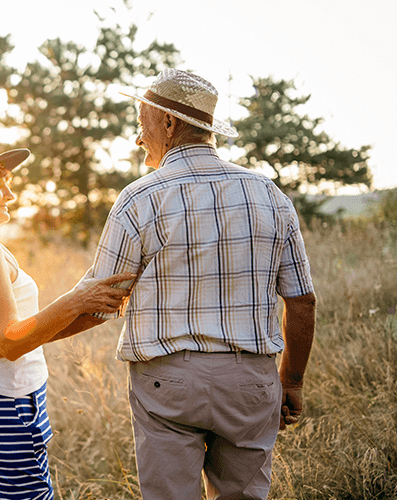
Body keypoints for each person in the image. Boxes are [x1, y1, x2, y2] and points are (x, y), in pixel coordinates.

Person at [82, 68, 317, 499]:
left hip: (168, 385)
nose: (138, 138)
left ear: (168, 124)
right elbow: (302, 302)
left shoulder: (139, 199)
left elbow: (98, 303)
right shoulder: (269, 195)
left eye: (142, 123)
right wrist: (293, 381)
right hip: (251, 383)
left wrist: (20, 338)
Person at [0, 147, 136, 499]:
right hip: (1, 405)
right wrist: (74, 300)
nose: (10, 194)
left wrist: (79, 311)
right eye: (1, 184)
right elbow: (10, 342)